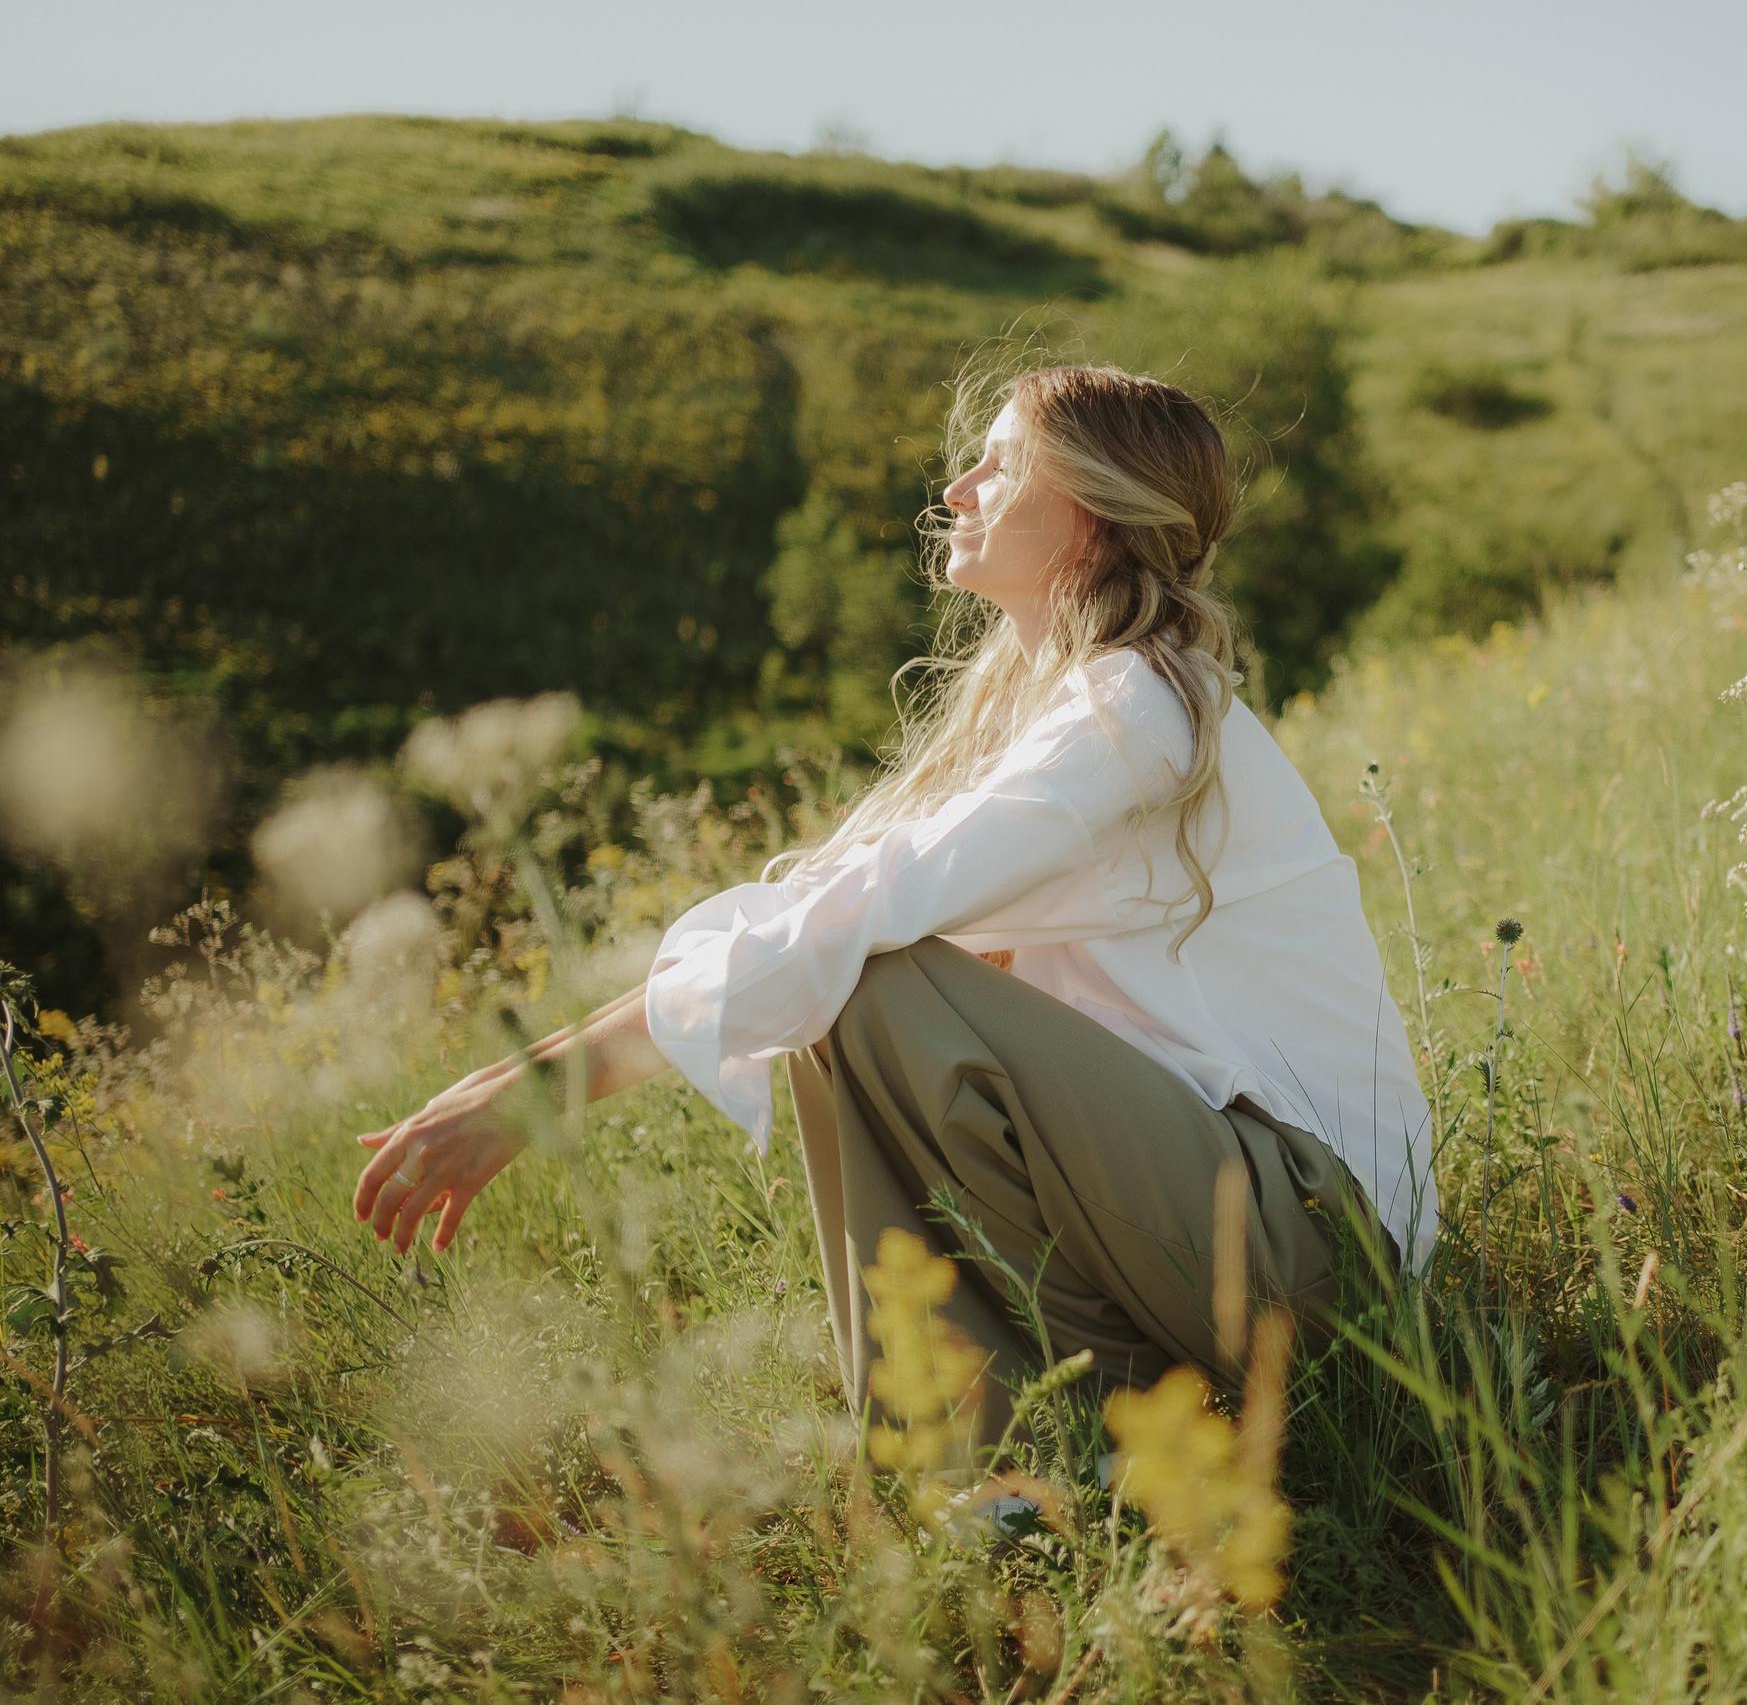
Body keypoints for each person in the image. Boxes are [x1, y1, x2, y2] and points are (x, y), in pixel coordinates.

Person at [351, 363, 1437, 1434]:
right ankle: (1011, 1430)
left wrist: (538, 1089)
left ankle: (990, 1445)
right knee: (856, 982)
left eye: (1002, 466)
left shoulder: (1135, 711)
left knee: (868, 979)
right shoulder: (1070, 700)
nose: (958, 487)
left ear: (1096, 520)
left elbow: (859, 916)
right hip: (1240, 1218)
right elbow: (820, 907)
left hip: (1320, 1249)